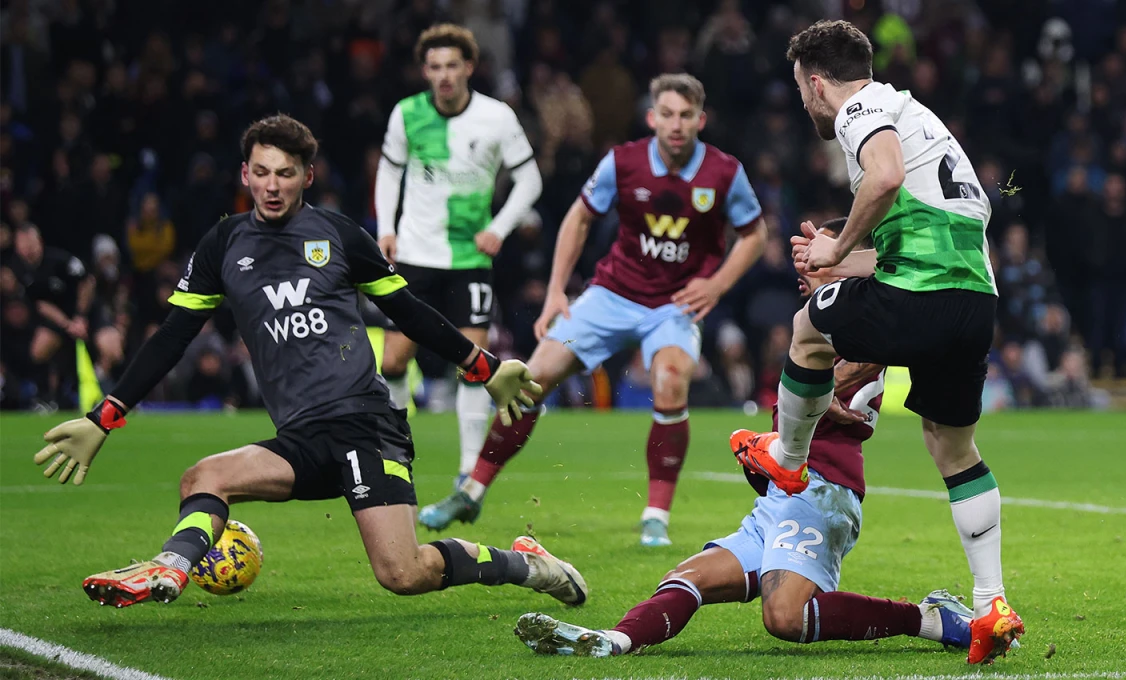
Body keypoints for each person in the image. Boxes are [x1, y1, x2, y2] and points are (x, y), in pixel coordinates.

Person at [33, 114, 586, 611]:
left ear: (307, 177)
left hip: (365, 426)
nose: (272, 185)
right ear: (245, 174)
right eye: (261, 172)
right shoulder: (223, 244)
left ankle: (526, 565)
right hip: (300, 439)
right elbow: (172, 337)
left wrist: (484, 367)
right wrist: (104, 416)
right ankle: (170, 567)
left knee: (402, 573)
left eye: (286, 173)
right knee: (203, 477)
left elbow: (409, 313)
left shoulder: (339, 235)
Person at [514, 219, 973, 658]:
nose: (805, 265)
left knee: (785, 616)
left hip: (823, 489)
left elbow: (881, 347)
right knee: (688, 577)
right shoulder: (821, 323)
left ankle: (928, 619)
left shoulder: (862, 323)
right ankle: (613, 641)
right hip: (784, 493)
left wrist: (825, 387)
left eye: (819, 255)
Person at [730, 21, 1022, 664]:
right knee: (952, 447)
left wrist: (835, 246)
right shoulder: (920, 119)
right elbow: (920, 243)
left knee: (806, 330)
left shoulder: (860, 109)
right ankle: (991, 603)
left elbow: (883, 178)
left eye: (801, 91)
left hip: (923, 294)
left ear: (816, 83)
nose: (805, 104)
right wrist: (840, 259)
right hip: (974, 300)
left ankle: (788, 455)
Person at [419, 74, 767, 547]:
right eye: (667, 114)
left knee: (670, 381)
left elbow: (755, 234)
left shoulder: (724, 172)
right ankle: (472, 491)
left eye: (686, 116)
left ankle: (655, 518)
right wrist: (556, 292)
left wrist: (717, 284)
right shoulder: (622, 162)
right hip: (610, 294)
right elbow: (579, 218)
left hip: (673, 306)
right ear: (652, 118)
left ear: (700, 120)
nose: (676, 125)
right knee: (532, 379)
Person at [374, 24, 542, 486]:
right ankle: (396, 453)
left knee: (473, 365)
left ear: (469, 67)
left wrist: (499, 228)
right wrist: (386, 228)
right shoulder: (406, 114)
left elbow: (530, 180)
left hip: (470, 258)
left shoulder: (497, 117)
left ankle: (468, 469)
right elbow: (388, 174)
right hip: (414, 253)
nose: (444, 75)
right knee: (393, 362)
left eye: (452, 65)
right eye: (435, 67)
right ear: (424, 71)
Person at [6, 223, 94, 408]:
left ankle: (112, 392)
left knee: (109, 346)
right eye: (23, 245)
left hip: (87, 313)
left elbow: (87, 282)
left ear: (40, 242)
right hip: (60, 318)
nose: (28, 250)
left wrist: (80, 316)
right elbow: (41, 305)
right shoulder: (20, 270)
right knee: (39, 350)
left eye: (31, 244)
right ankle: (50, 396)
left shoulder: (59, 260)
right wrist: (68, 324)